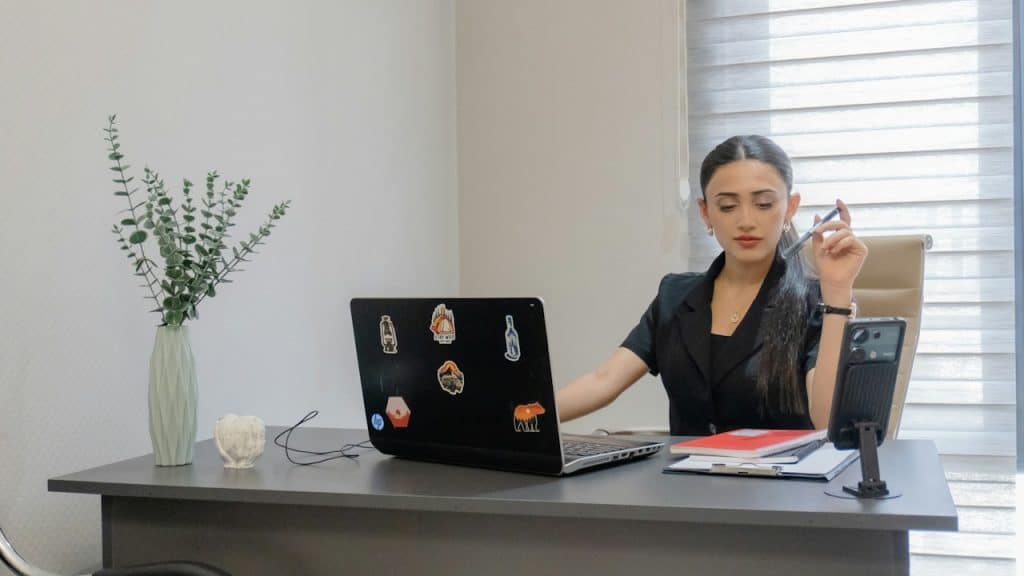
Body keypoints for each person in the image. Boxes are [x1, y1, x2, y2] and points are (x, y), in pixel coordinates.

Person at [555, 135, 867, 435]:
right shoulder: (675, 296)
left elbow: (827, 421)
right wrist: (517, 415)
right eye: (728, 206)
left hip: (781, 485)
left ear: (790, 207)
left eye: (763, 204)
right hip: (686, 483)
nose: (746, 220)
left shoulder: (817, 303)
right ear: (705, 212)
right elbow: (603, 381)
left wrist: (838, 293)